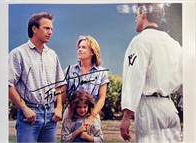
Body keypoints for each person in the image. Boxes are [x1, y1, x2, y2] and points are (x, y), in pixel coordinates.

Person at [120, 3, 182, 143]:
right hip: (170, 108)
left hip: (150, 109)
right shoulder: (174, 44)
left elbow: (134, 78)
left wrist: (126, 117)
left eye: (136, 15)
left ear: (143, 15)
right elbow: (185, 83)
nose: (135, 19)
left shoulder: (140, 41)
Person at [8, 12, 67, 142]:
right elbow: (7, 85)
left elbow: (59, 84)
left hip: (51, 116)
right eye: (46, 28)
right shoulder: (18, 54)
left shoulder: (52, 55)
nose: (50, 32)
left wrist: (59, 107)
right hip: (28, 116)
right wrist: (24, 108)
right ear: (34, 29)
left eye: (51, 29)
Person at [62, 35, 109, 124]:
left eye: (83, 47)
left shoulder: (102, 72)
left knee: (92, 138)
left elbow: (101, 99)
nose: (79, 49)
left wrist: (91, 117)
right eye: (79, 47)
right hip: (70, 116)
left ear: (92, 52)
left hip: (92, 116)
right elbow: (63, 95)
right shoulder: (69, 70)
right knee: (69, 138)